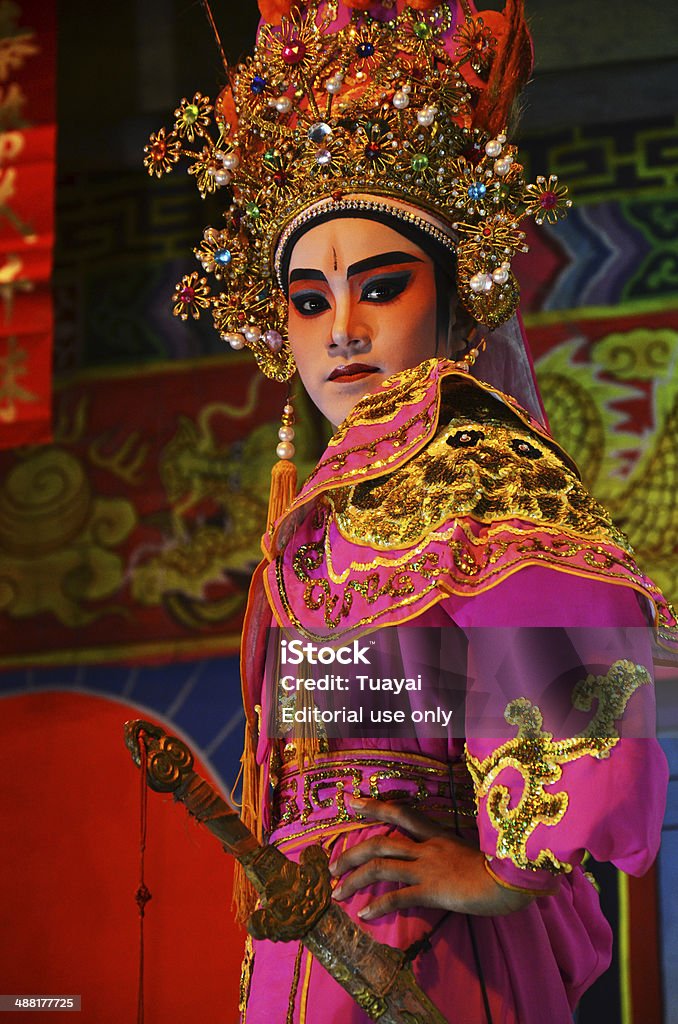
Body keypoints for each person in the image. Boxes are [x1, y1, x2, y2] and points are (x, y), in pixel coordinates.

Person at [144, 1, 676, 1021]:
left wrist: (501, 874)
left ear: (448, 296)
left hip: (422, 941)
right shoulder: (318, 509)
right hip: (307, 928)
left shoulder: (472, 458)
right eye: (308, 301)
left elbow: (580, 673)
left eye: (379, 287)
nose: (341, 329)